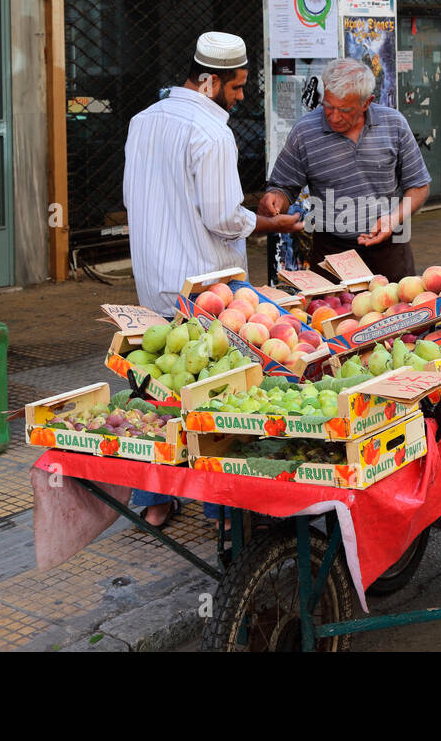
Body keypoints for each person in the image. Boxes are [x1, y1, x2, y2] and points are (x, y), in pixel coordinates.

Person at [122, 31, 301, 528]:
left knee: (157, 389)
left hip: (153, 280)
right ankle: (224, 513)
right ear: (210, 82)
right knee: (214, 395)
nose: (241, 97)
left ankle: (153, 503)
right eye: (238, 87)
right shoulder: (212, 133)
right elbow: (224, 217)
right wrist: (271, 225)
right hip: (206, 290)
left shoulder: (143, 121)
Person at [258, 58, 431, 281]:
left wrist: (394, 218)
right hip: (331, 253)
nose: (334, 116)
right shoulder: (305, 132)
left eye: (345, 110)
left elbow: (418, 186)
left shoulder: (394, 125)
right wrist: (275, 200)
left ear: (367, 102)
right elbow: (284, 186)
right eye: (328, 106)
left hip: (390, 249)